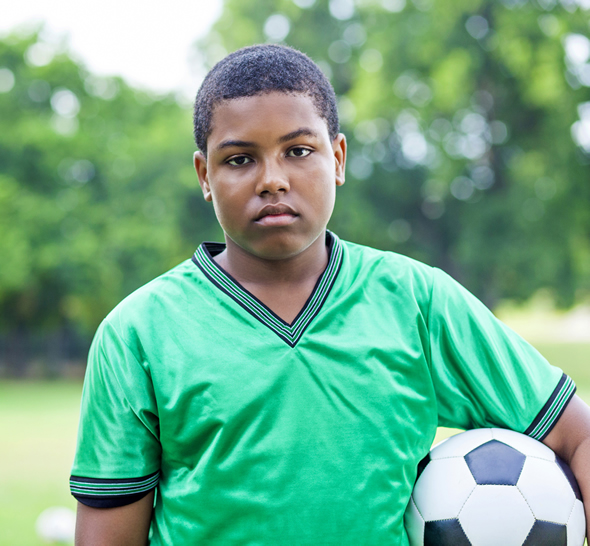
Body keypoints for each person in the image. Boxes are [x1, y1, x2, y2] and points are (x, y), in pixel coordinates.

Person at [71, 44, 590, 545]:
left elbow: (579, 435)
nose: (272, 180)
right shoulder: (138, 333)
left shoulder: (416, 301)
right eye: (239, 159)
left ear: (337, 158)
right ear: (205, 175)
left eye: (298, 151)